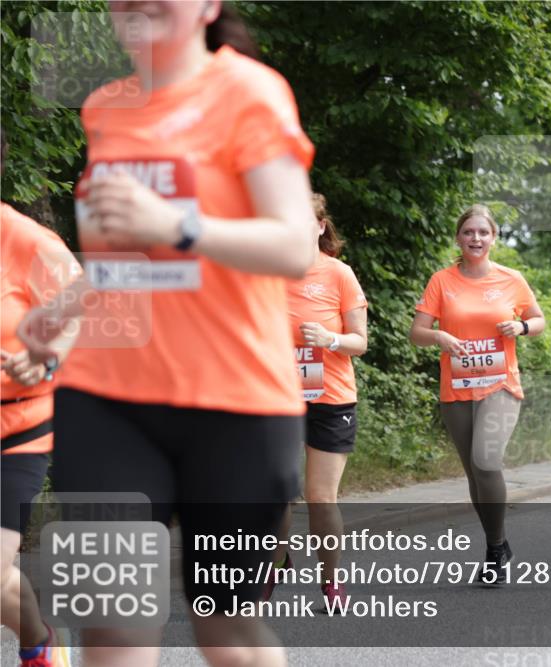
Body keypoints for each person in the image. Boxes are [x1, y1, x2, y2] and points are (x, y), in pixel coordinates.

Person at [17, 3, 316, 665]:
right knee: (113, 627)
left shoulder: (251, 93)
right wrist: (66, 304)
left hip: (236, 404)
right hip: (108, 400)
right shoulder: (105, 108)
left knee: (225, 632)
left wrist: (176, 223)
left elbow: (294, 243)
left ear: (209, 6)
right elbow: (126, 250)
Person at [409, 204, 545, 584]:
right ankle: (495, 546)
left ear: (494, 238)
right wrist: (440, 336)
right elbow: (416, 333)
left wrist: (520, 326)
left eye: (483, 233)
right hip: (457, 387)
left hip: (500, 384)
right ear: (458, 238)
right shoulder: (442, 281)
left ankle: (496, 545)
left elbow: (539, 320)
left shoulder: (511, 279)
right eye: (468, 232)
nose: (475, 239)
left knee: (486, 462)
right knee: (473, 472)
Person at [266, 194, 367, 609]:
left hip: (330, 397)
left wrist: (331, 339)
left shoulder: (339, 274)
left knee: (320, 496)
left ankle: (330, 580)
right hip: (276, 397)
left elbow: (360, 342)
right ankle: (273, 565)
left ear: (320, 226)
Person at [2, 177, 78, 666]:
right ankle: (38, 641)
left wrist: (46, 357)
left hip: (18, 428)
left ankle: (39, 645)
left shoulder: (26, 240)